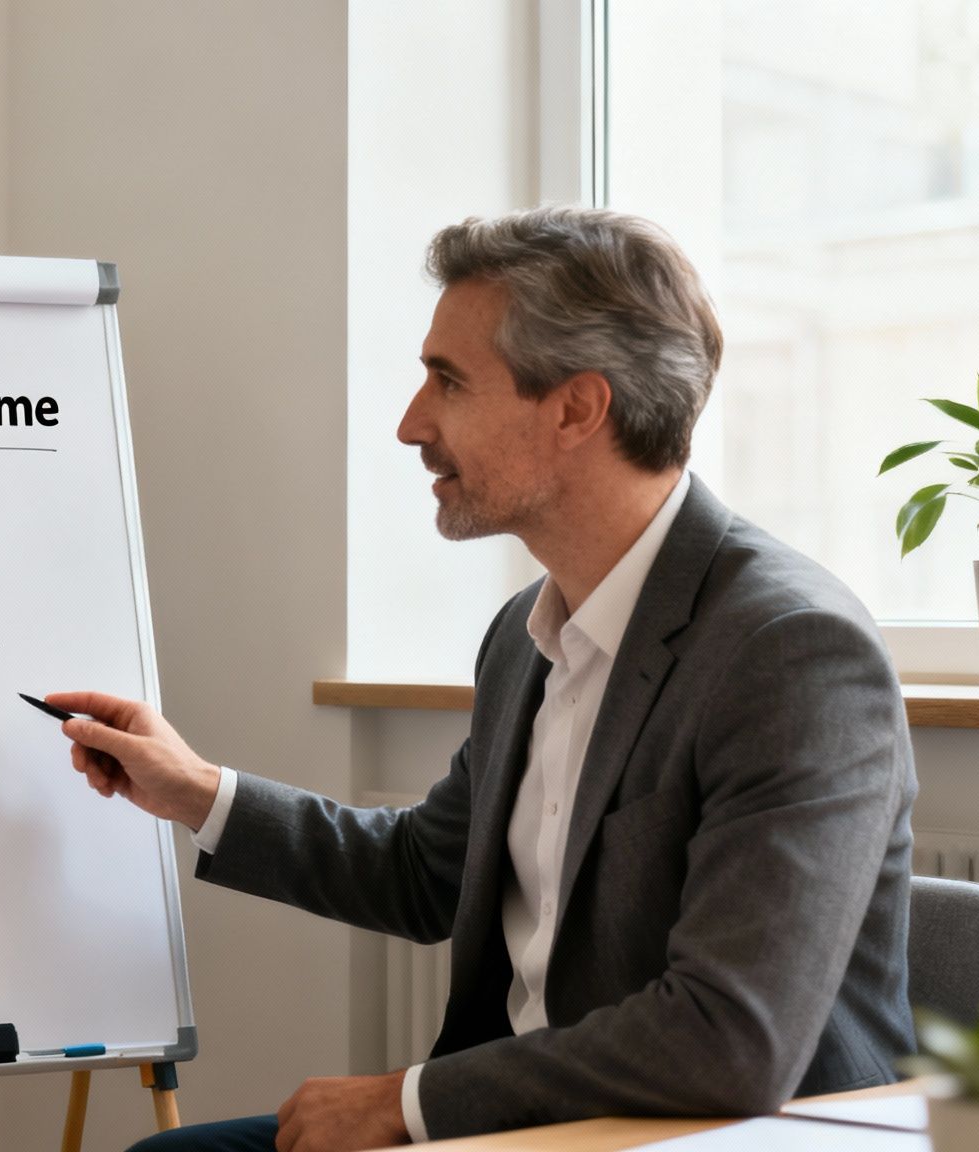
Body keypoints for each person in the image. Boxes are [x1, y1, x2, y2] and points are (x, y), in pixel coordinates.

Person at [53, 206, 917, 1150]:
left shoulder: (791, 651)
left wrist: (407, 1103)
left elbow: (730, 1042)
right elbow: (432, 873)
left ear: (578, 408)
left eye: (448, 381)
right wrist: (197, 792)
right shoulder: (526, 633)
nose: (409, 423)